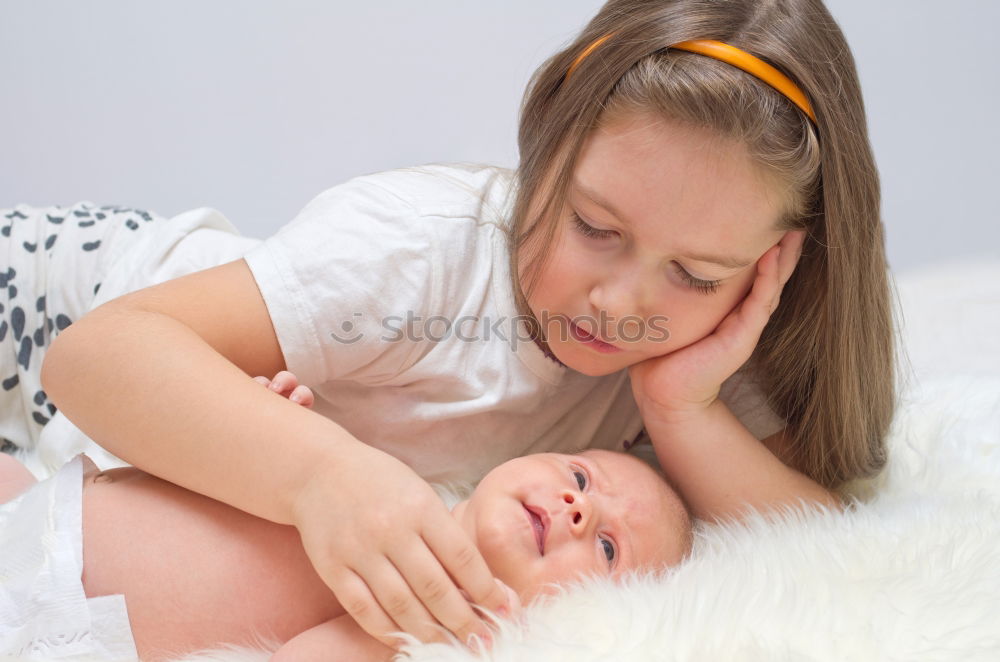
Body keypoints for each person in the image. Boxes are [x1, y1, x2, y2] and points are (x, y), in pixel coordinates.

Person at [6, 0, 896, 651]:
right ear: (545, 140)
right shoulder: (419, 249)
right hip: (59, 291)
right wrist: (325, 475)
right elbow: (95, 356)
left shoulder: (708, 348)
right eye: (595, 228)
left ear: (777, 261)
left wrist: (681, 415)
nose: (620, 306)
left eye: (694, 273)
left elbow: (823, 554)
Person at [0, 408, 693, 661]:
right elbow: (205, 461)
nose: (579, 507)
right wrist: (264, 416)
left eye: (607, 547)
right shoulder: (382, 472)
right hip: (48, 503)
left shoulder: (420, 618)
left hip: (55, 616)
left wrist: (390, 634)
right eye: (582, 474)